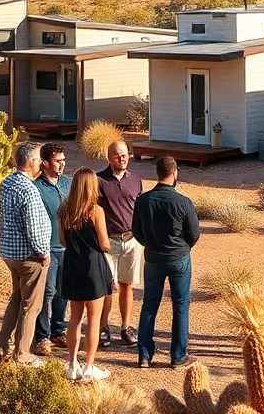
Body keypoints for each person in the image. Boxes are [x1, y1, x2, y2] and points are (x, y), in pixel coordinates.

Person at [131, 156, 201, 369]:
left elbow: (137, 232)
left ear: (158, 172)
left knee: (150, 305)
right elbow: (194, 234)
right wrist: (183, 247)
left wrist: (150, 244)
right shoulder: (183, 202)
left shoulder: (143, 201)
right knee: (180, 306)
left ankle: (144, 354)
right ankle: (178, 356)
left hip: (153, 258)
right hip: (178, 258)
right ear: (175, 173)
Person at [0, 142, 53, 367]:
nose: (41, 163)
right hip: (29, 257)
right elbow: (35, 227)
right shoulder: (28, 189)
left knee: (16, 299)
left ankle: (3, 349)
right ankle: (22, 355)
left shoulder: (7, 182)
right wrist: (44, 253)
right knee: (31, 306)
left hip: (10, 253)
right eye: (39, 160)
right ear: (30, 163)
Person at [59, 166, 114, 383]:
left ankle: (72, 363)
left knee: (74, 318)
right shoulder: (95, 211)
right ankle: (89, 366)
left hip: (72, 264)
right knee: (94, 320)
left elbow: (63, 241)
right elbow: (105, 244)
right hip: (92, 266)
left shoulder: (65, 209)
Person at [97, 140, 144, 348]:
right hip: (108, 241)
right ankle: (103, 328)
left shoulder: (136, 179)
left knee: (127, 285)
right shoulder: (99, 180)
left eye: (125, 155)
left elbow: (140, 208)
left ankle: (126, 328)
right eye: (117, 155)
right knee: (107, 287)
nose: (122, 158)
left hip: (132, 240)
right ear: (109, 158)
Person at [32, 142, 72, 356]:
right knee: (46, 293)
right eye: (58, 161)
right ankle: (42, 336)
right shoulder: (36, 187)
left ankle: (58, 330)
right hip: (46, 249)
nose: (62, 164)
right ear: (45, 163)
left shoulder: (69, 183)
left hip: (68, 248)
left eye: (64, 160)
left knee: (63, 293)